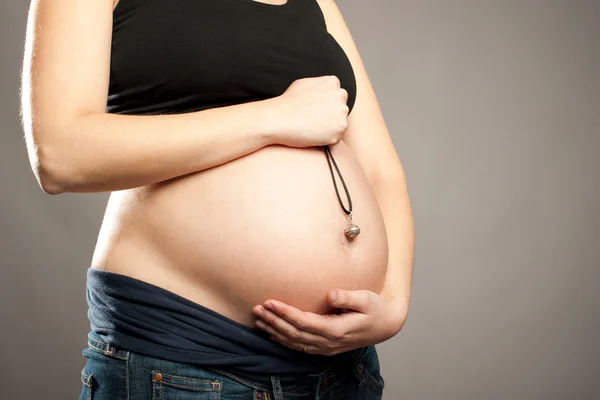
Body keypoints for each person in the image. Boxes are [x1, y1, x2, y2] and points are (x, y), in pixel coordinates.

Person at [20, 0, 414, 398]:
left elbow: (380, 167)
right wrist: (271, 118)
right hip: (187, 360)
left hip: (344, 371)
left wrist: (394, 305)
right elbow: (61, 154)